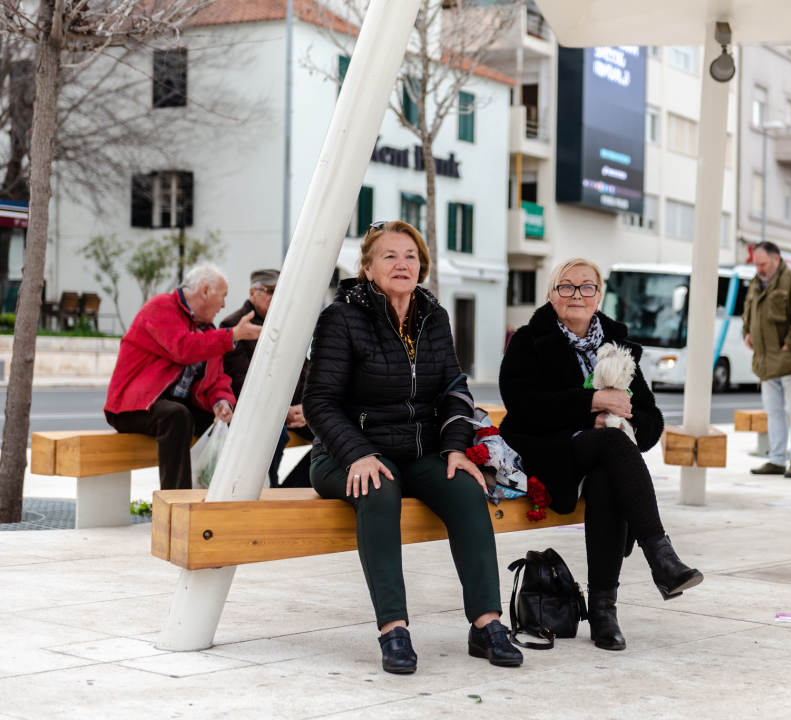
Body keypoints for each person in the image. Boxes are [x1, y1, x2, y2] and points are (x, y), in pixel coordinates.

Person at [303, 220, 522, 675]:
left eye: (410, 256)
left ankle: (486, 624)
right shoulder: (341, 317)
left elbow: (454, 389)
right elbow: (318, 401)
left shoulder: (432, 316)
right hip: (343, 454)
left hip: (418, 450)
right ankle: (393, 630)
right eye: (389, 255)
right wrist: (357, 453)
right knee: (379, 490)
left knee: (466, 490)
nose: (402, 264)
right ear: (367, 267)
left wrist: (457, 448)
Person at [498, 258, 703, 652]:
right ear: (551, 294)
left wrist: (626, 417)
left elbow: (651, 420)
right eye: (567, 286)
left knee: (608, 474)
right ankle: (662, 558)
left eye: (587, 287)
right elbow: (523, 407)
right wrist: (591, 403)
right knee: (611, 445)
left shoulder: (617, 345)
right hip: (547, 450)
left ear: (599, 296)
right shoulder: (528, 340)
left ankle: (604, 612)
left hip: (601, 455)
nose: (577, 294)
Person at [104, 265, 261, 490]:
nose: (224, 305)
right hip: (134, 407)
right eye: (223, 296)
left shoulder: (208, 330)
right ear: (205, 291)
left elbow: (217, 378)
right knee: (177, 415)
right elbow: (183, 348)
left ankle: (231, 496)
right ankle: (176, 502)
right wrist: (233, 335)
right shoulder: (161, 306)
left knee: (234, 423)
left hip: (175, 409)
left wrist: (222, 402)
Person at [220, 269, 313, 488]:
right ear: (253, 293)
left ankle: (288, 491)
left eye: (282, 291)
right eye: (271, 290)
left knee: (334, 433)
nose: (278, 296)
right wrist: (281, 411)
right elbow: (239, 383)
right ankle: (268, 490)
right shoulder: (233, 325)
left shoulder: (288, 323)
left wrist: (305, 408)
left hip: (290, 411)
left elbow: (306, 371)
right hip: (253, 412)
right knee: (272, 432)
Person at [743, 242, 791, 479]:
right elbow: (748, 314)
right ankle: (777, 460)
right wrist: (746, 332)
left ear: (777, 259)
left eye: (763, 264)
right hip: (767, 363)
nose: (759, 269)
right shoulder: (755, 284)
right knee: (774, 412)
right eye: (756, 264)